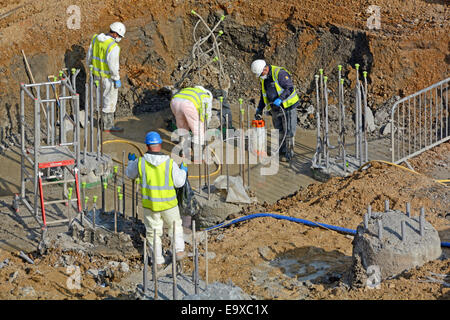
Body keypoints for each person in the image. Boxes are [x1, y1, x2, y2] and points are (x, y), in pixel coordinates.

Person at [126, 131, 188, 268]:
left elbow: (130, 174)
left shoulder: (140, 162)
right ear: (160, 145)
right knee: (175, 226)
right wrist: (183, 170)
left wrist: (131, 162)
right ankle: (178, 250)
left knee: (153, 232)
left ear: (147, 146)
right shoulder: (169, 163)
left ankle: (158, 260)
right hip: (169, 204)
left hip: (151, 206)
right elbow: (179, 183)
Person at [251, 59, 300, 162]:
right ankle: (281, 151)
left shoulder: (279, 73)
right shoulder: (264, 78)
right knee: (278, 130)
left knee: (289, 131)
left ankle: (289, 154)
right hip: (275, 108)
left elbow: (290, 88)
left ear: (265, 69)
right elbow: (263, 95)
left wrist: (280, 99)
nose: (260, 76)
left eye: (260, 74)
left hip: (288, 106)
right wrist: (259, 108)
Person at [86, 22, 126, 132]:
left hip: (96, 76)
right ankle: (108, 126)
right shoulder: (113, 47)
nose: (119, 39)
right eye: (120, 36)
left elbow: (89, 56)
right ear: (115, 34)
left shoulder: (95, 39)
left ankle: (102, 122)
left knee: (100, 99)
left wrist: (90, 68)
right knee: (110, 100)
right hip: (107, 78)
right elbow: (113, 66)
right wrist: (116, 78)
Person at [170, 85, 213, 158]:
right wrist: (205, 127)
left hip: (174, 102)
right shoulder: (206, 97)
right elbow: (207, 115)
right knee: (198, 131)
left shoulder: (190, 90)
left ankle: (184, 151)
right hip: (189, 105)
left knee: (182, 129)